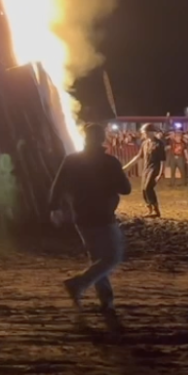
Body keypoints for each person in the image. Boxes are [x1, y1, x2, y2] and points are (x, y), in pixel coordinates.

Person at [49, 123, 132, 312]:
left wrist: (54, 208)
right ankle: (78, 283)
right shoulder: (110, 162)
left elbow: (58, 185)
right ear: (102, 139)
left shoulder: (71, 160)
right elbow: (126, 189)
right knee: (112, 256)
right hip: (103, 216)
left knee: (97, 259)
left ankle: (106, 300)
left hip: (81, 216)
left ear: (85, 137)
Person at [124, 123, 166, 218]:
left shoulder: (159, 144)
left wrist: (160, 173)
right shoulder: (145, 143)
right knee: (143, 189)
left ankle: (156, 210)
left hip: (154, 168)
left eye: (145, 132)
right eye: (143, 132)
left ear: (151, 132)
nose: (144, 134)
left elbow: (163, 160)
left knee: (148, 188)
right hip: (146, 168)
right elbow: (138, 156)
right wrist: (127, 167)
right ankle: (150, 210)